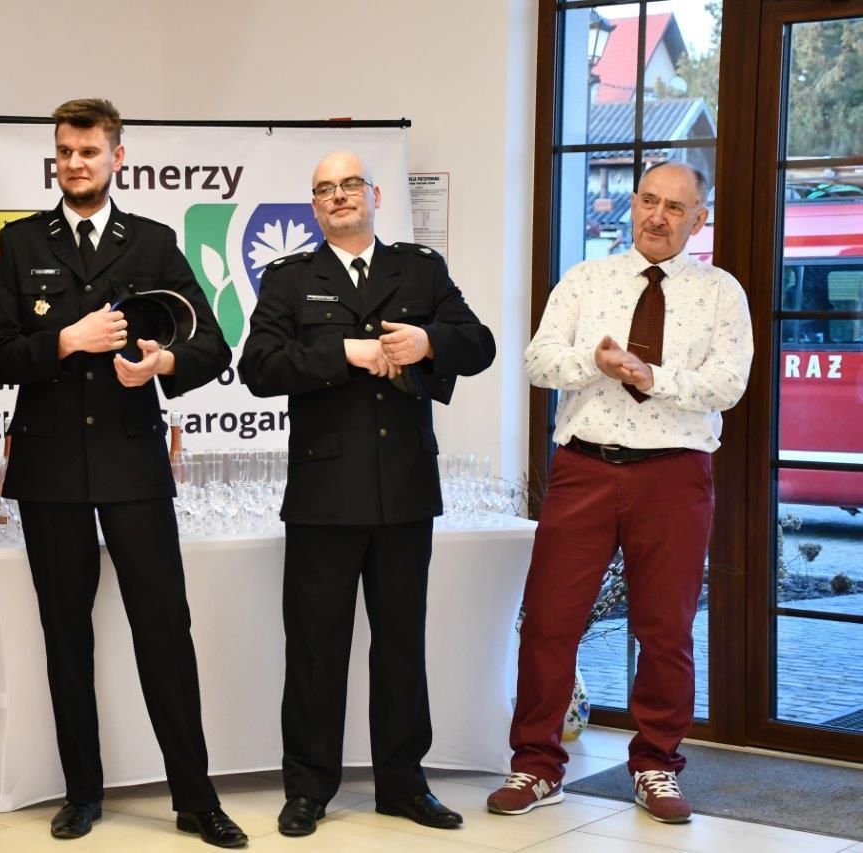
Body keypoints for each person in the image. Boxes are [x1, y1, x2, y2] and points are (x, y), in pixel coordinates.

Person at [0, 98, 246, 848]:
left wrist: (162, 361)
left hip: (133, 463)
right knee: (65, 636)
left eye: (89, 151)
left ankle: (195, 798)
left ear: (117, 157)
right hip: (51, 465)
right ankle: (82, 794)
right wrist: (65, 340)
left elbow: (212, 345)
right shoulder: (21, 242)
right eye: (65, 151)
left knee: (165, 629)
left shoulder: (152, 242)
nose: (75, 163)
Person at [238, 151, 496, 836]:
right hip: (323, 493)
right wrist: (344, 352)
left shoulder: (421, 270)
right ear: (314, 207)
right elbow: (258, 367)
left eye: (350, 184)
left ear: (375, 195)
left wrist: (427, 342)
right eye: (325, 189)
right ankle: (308, 788)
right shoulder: (291, 279)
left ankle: (403, 784)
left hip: (405, 489)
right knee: (315, 648)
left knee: (401, 645)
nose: (339, 196)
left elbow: (480, 344)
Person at [487, 161, 753, 824]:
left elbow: (728, 384)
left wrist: (649, 376)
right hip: (584, 468)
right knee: (549, 621)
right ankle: (535, 764)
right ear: (633, 204)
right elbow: (538, 361)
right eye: (649, 201)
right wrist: (596, 362)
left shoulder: (720, 293)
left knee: (666, 629)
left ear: (699, 219)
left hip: (674, 475)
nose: (657, 217)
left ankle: (656, 764)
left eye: (675, 208)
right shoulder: (586, 279)